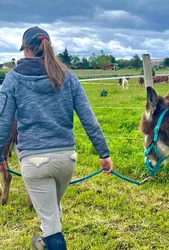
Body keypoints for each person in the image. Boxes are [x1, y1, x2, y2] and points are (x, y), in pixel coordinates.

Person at [0, 26, 113, 250]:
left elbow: (3, 121)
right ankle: (43, 243)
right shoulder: (68, 77)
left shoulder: (13, 79)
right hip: (66, 160)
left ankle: (48, 242)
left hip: (34, 161)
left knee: (51, 222)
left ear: (26, 50)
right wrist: (104, 153)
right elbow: (89, 119)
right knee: (53, 212)